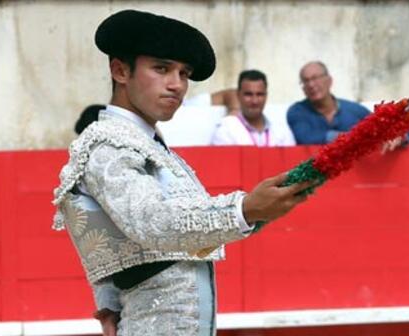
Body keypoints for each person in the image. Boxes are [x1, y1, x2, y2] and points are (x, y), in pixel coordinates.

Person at [52, 10, 314, 336]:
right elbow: (154, 222)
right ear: (120, 70)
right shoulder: (110, 145)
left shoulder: (148, 146)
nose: (177, 85)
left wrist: (261, 210)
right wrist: (245, 208)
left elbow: (123, 241)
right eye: (161, 68)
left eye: (184, 73)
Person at [286, 61, 370, 145]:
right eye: (305, 81)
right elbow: (305, 138)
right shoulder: (297, 112)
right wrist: (349, 137)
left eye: (315, 78)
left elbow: (377, 129)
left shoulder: (357, 111)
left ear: (329, 80)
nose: (311, 85)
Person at [210, 70, 296, 146]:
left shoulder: (281, 131)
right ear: (238, 95)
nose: (254, 101)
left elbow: (293, 162)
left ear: (266, 96)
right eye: (248, 94)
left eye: (259, 94)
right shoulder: (226, 129)